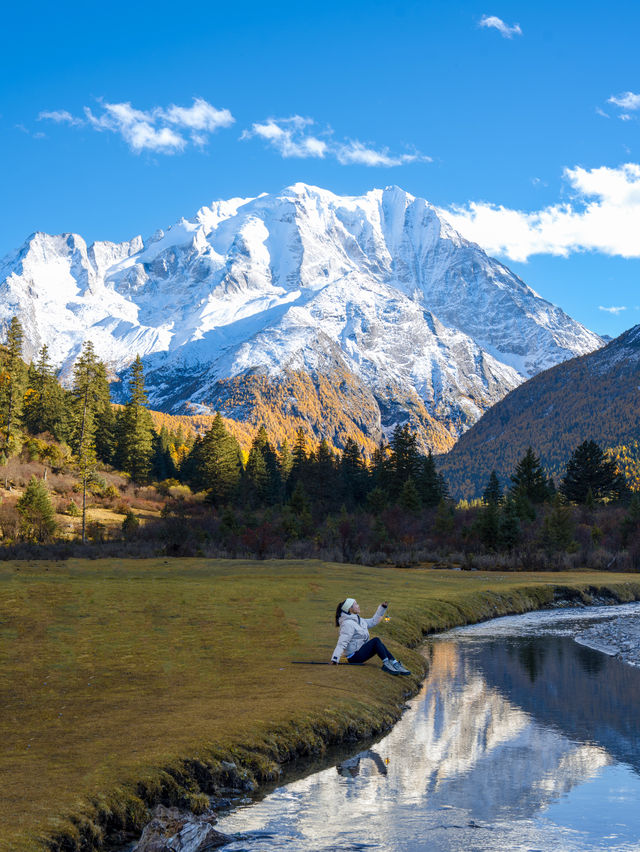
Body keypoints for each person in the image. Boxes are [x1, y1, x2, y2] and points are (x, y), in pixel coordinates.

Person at [330, 598, 411, 675]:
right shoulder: (347, 624)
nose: (358, 605)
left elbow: (373, 621)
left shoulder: (359, 620)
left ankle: (394, 663)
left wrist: (382, 608)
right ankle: (387, 664)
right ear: (350, 608)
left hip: (360, 652)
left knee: (379, 644)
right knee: (376, 641)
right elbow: (342, 642)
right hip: (353, 657)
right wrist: (335, 658)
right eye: (356, 604)